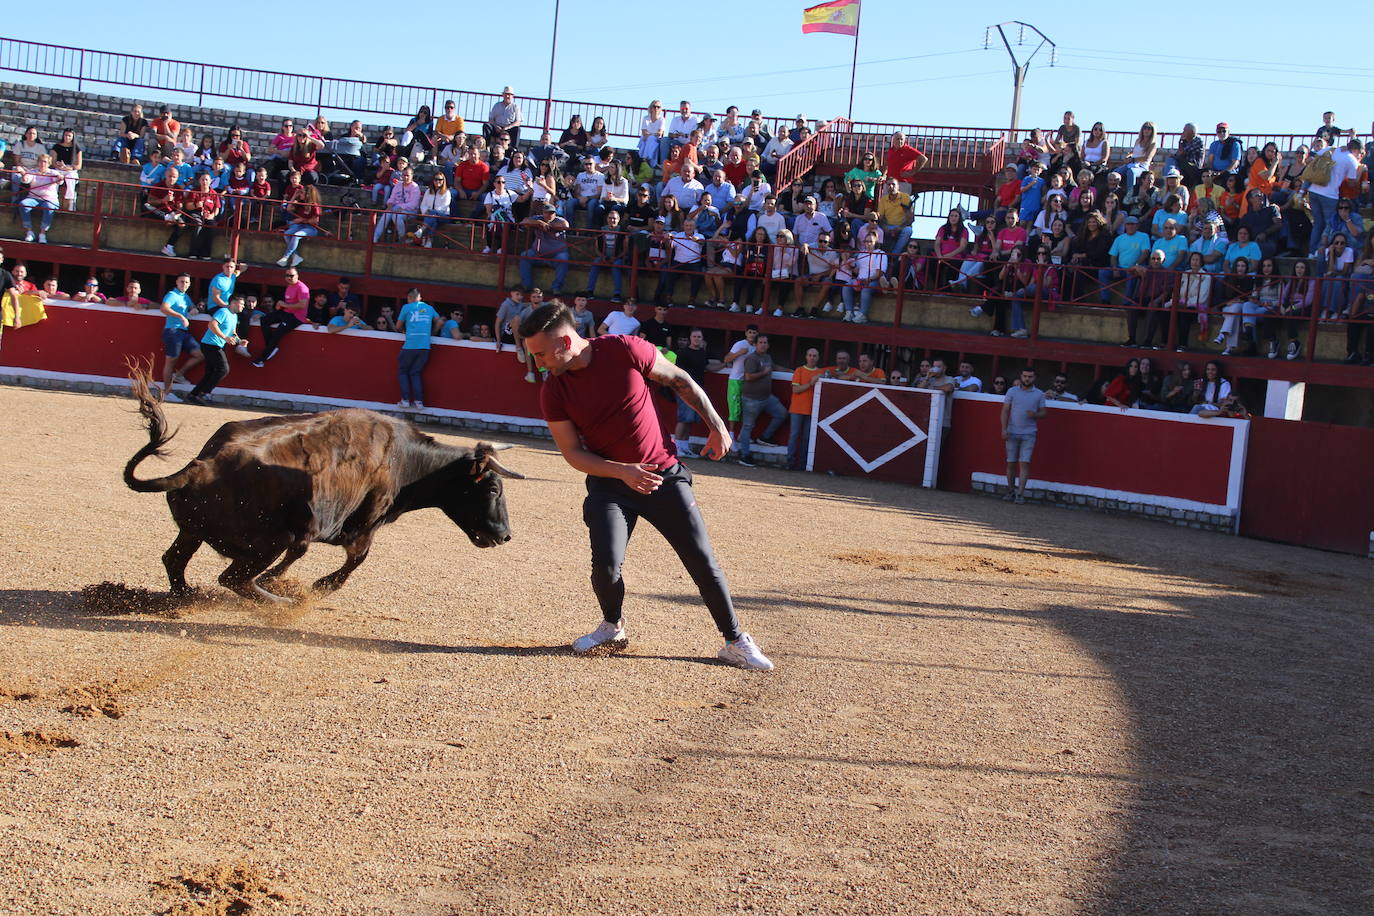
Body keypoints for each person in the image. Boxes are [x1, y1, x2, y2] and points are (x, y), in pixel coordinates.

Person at [518, 302, 773, 670]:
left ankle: (735, 641)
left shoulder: (624, 349)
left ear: (565, 339)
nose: (538, 363)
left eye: (541, 353)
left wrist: (717, 425)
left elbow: (681, 381)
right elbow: (573, 453)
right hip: (611, 481)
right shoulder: (553, 391)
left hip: (665, 475)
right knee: (605, 565)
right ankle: (612, 626)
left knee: (701, 560)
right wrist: (622, 471)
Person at [185, 294, 246, 405]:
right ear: (233, 303)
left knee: (210, 372)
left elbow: (233, 333)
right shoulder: (223, 312)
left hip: (214, 345)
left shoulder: (234, 316)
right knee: (223, 369)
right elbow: (212, 324)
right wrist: (224, 337)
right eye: (241, 304)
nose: (243, 306)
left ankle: (193, 395)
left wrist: (239, 341)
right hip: (210, 345)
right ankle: (204, 393)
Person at [1001, 367, 1047, 505]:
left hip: (1029, 433)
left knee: (1023, 462)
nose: (1027, 379)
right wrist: (1004, 429)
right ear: (1021, 376)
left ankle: (1019, 493)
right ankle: (1011, 491)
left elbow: (1044, 413)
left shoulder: (1039, 394)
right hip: (1012, 431)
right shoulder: (1012, 391)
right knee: (1011, 462)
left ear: (1034, 378)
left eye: (1030, 376)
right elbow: (1005, 411)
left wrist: (1036, 415)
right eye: (1025, 376)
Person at [671, 328, 719, 459]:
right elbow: (678, 372)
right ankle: (676, 447)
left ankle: (684, 447)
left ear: (702, 339)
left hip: (698, 390)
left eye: (699, 337)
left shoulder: (702, 353)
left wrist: (725, 364)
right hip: (685, 389)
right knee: (684, 418)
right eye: (694, 336)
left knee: (690, 419)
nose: (696, 339)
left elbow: (708, 366)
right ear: (690, 338)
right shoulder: (683, 353)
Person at [252, 268, 310, 366]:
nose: (289, 278)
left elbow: (302, 305)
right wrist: (281, 305)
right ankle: (271, 348)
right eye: (287, 275)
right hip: (286, 312)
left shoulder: (302, 288)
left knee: (278, 332)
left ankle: (262, 358)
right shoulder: (290, 286)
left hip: (296, 317)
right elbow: (289, 302)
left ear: (297, 276)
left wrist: (284, 305)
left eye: (291, 276)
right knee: (264, 320)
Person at [157, 273, 202, 399]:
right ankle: (167, 392)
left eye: (187, 282)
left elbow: (191, 305)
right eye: (182, 281)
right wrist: (181, 316)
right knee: (171, 361)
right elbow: (163, 308)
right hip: (172, 331)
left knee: (200, 354)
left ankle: (179, 374)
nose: (184, 284)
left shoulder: (185, 296)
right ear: (177, 282)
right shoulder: (172, 295)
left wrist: (194, 308)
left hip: (183, 332)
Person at [396, 288, 439, 409]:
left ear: (409, 298)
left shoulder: (406, 307)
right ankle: (419, 402)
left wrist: (404, 329)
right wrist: (432, 332)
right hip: (425, 347)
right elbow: (439, 321)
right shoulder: (429, 308)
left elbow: (398, 326)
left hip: (410, 345)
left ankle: (405, 400)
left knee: (403, 371)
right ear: (420, 297)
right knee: (415, 373)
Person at [785, 348, 824, 471]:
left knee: (806, 438)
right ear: (806, 357)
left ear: (818, 358)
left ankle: (802, 464)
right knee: (795, 436)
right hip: (797, 409)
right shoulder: (799, 370)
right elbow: (795, 390)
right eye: (810, 355)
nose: (812, 358)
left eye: (814, 355)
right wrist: (810, 384)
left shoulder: (821, 372)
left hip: (812, 410)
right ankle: (790, 462)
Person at [518, 204, 571, 295]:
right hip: (537, 254)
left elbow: (565, 225)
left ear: (555, 213)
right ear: (543, 213)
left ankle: (556, 288)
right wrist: (538, 223)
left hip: (556, 255)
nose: (549, 215)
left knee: (563, 259)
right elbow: (523, 222)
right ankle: (527, 286)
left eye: (551, 213)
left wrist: (548, 225)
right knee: (524, 256)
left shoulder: (559, 219)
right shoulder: (538, 218)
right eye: (546, 212)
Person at [722, 325, 759, 439]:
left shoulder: (756, 347)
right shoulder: (740, 344)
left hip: (748, 382)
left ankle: (741, 436)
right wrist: (739, 353)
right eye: (750, 332)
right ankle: (731, 436)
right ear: (746, 333)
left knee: (746, 410)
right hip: (736, 380)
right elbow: (726, 359)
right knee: (734, 409)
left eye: (754, 333)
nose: (752, 335)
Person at [16, 152, 62, 243]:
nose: (42, 164)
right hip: (33, 198)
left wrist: (60, 178)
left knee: (49, 207)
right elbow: (26, 180)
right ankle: (29, 232)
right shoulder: (33, 171)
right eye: (41, 161)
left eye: (45, 162)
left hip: (49, 199)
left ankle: (42, 233)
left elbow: (59, 181)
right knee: (23, 204)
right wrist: (22, 173)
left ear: (49, 163)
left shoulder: (53, 172)